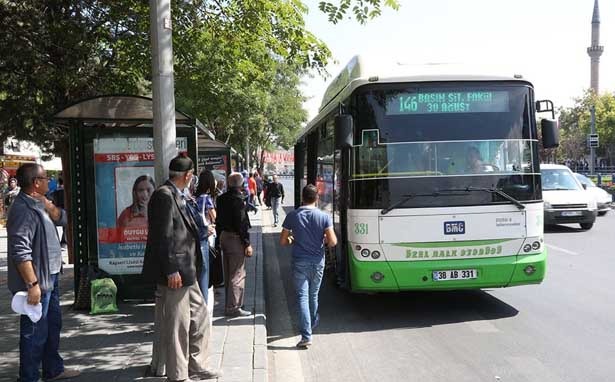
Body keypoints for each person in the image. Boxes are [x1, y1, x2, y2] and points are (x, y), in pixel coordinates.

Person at [141, 155, 220, 382]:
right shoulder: (164, 196)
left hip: (188, 270)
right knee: (178, 324)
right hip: (176, 271)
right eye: (192, 175)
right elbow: (162, 236)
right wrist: (170, 270)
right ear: (188, 175)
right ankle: (178, 374)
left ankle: (198, 365)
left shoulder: (178, 194)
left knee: (200, 316)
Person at [7, 163, 80, 382]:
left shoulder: (40, 202)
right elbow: (20, 251)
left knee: (51, 326)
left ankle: (53, 369)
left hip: (52, 275)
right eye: (45, 177)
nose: (49, 180)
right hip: (38, 280)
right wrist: (32, 284)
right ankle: (28, 377)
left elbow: (63, 218)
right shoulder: (22, 209)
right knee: (34, 331)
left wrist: (49, 206)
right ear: (36, 183)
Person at [279, 184, 337, 348]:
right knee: (313, 295)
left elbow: (283, 241)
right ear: (317, 198)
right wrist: (322, 239)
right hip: (318, 261)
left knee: (302, 297)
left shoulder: (293, 215)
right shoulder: (324, 216)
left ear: (302, 197)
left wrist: (292, 239)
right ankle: (310, 325)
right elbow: (332, 242)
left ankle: (306, 335)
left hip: (299, 261)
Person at [216, 172, 253, 317]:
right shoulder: (238, 200)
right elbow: (241, 223)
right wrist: (247, 243)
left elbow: (218, 220)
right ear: (241, 184)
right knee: (237, 273)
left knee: (228, 272)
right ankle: (234, 307)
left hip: (224, 237)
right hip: (235, 238)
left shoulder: (221, 199)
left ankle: (230, 303)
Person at [51, 178, 67, 248]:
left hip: (57, 210)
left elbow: (53, 201)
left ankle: (62, 242)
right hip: (65, 210)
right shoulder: (67, 191)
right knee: (66, 227)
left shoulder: (55, 191)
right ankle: (64, 242)